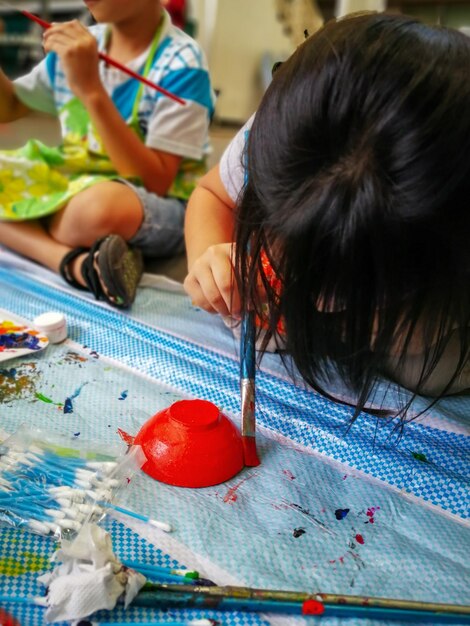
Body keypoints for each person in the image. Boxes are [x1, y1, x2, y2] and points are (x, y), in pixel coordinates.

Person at [184, 12, 470, 414]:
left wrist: (403, 324)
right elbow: (212, 193)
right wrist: (212, 257)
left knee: (430, 366)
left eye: (358, 289)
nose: (321, 303)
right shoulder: (278, 135)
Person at [0, 0, 215, 308]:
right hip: (76, 180)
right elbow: (11, 108)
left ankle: (39, 227)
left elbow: (155, 181)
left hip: (155, 202)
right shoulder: (86, 42)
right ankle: (74, 263)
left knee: (94, 210)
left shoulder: (182, 63)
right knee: (79, 210)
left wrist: (90, 87)